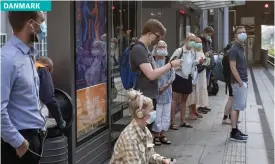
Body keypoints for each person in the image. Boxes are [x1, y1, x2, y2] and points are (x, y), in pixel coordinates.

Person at [1, 11, 47, 164]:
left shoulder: (28, 55)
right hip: (18, 146)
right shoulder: (7, 59)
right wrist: (18, 141)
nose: (43, 27)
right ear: (31, 24)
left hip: (33, 139)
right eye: (42, 21)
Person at [110, 90, 173, 164]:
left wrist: (163, 160)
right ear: (140, 114)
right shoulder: (130, 138)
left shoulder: (145, 131)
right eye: (151, 110)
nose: (154, 112)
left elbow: (150, 155)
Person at [130, 19, 182, 101]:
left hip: (147, 96)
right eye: (157, 36)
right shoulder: (139, 49)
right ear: (149, 34)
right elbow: (151, 75)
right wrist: (170, 65)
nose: (158, 39)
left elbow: (154, 71)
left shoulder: (144, 48)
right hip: (142, 98)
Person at [169, 33, 196, 130]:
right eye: (190, 39)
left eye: (194, 40)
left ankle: (183, 121)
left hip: (187, 77)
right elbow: (170, 62)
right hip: (178, 77)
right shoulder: (179, 50)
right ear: (186, 40)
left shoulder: (192, 52)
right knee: (175, 100)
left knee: (184, 101)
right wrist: (177, 67)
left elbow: (192, 64)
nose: (192, 42)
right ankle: (172, 122)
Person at [151, 40, 175, 146]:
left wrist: (167, 85)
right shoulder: (152, 61)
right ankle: (156, 135)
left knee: (166, 115)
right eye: (160, 47)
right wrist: (158, 88)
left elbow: (173, 75)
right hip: (157, 93)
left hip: (167, 92)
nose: (162, 49)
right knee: (157, 115)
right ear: (155, 48)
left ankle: (163, 135)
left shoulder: (168, 60)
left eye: (164, 47)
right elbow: (151, 75)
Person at [229, 26, 249, 142]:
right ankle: (233, 132)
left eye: (244, 32)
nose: (243, 34)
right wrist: (240, 82)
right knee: (236, 106)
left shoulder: (241, 47)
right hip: (238, 82)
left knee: (238, 107)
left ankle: (236, 129)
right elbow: (233, 68)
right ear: (235, 35)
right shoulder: (234, 49)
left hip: (242, 81)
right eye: (240, 32)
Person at [35, 57, 66, 129]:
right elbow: (48, 98)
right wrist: (60, 120)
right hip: (32, 121)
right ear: (47, 66)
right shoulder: (43, 70)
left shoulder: (29, 67)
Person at [198, 26, 214, 113]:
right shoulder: (200, 41)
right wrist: (207, 53)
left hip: (207, 67)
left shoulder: (208, 41)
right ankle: (200, 106)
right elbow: (200, 54)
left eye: (211, 35)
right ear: (204, 32)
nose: (209, 36)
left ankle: (204, 104)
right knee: (201, 87)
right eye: (208, 34)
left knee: (205, 87)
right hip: (202, 67)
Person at [194, 37, 210, 116]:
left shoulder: (201, 51)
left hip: (203, 71)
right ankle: (199, 106)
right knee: (199, 88)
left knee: (203, 87)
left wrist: (206, 60)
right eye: (197, 42)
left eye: (200, 42)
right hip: (198, 73)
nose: (199, 44)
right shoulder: (194, 52)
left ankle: (204, 104)